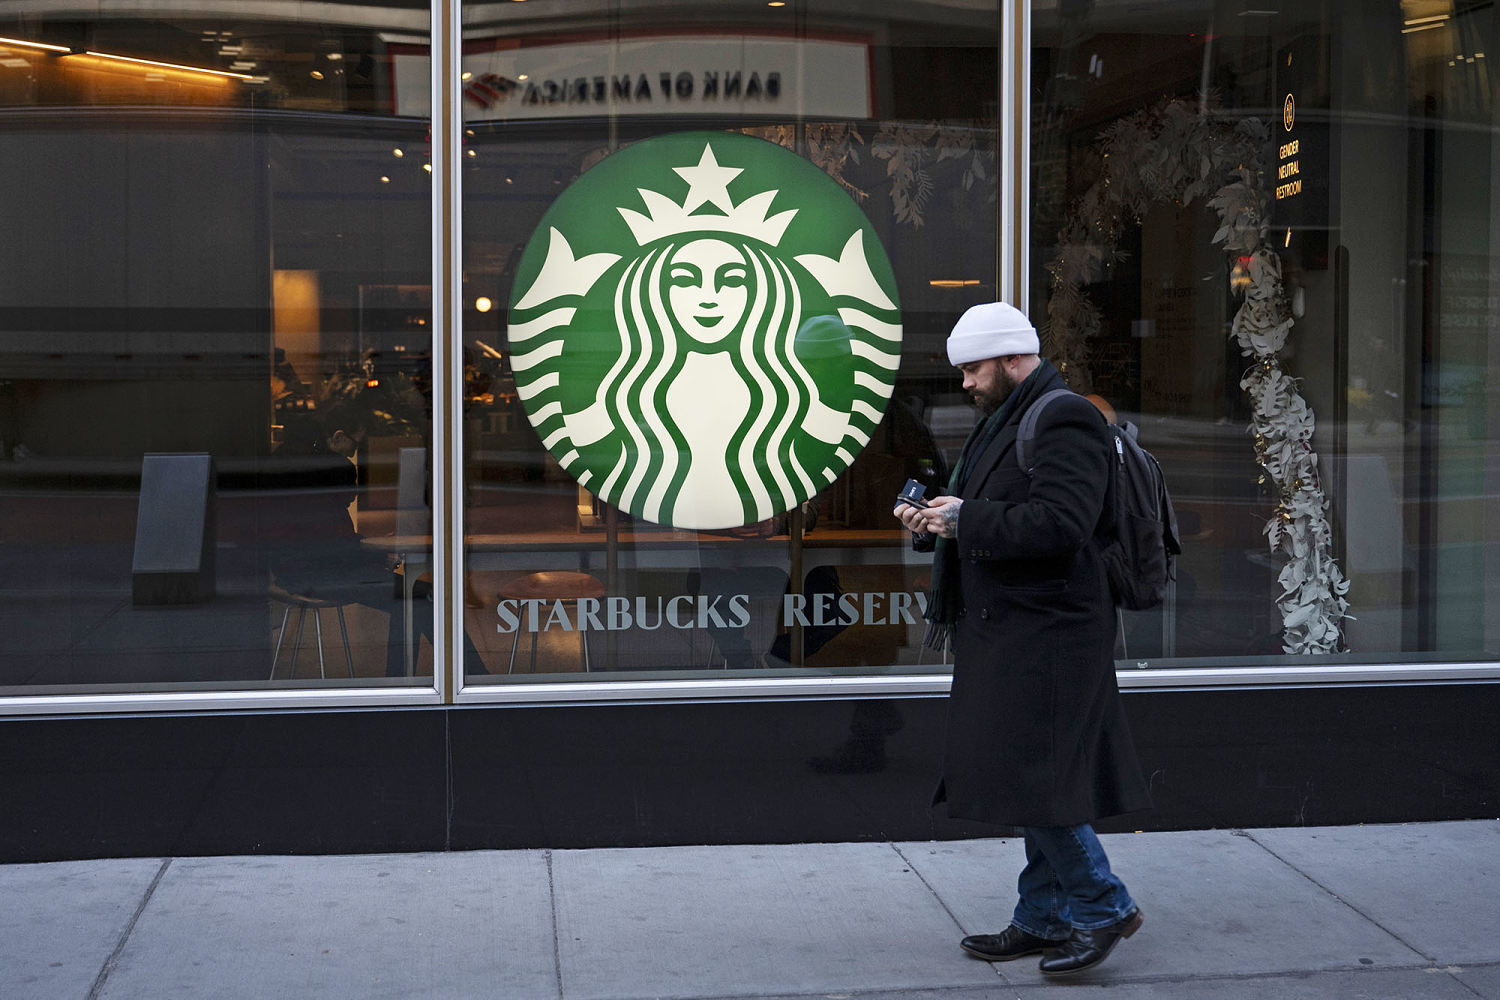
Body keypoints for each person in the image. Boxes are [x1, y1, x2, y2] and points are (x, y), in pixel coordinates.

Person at [892, 301, 1151, 977]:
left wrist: (966, 520)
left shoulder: (1063, 417)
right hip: (1014, 629)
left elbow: (1062, 523)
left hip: (1051, 634)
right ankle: (1042, 916)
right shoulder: (1006, 417)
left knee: (1032, 776)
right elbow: (991, 509)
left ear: (1013, 357)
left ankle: (1103, 905)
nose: (966, 383)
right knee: (1033, 773)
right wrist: (938, 520)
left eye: (974, 369)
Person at [266, 398, 483, 677]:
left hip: (299, 568)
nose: (354, 453)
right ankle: (462, 676)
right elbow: (326, 542)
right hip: (317, 572)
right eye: (354, 444)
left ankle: (410, 678)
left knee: (414, 597)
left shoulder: (293, 460)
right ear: (338, 436)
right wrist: (374, 551)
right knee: (420, 597)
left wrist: (370, 547)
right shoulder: (328, 469)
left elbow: (319, 536)